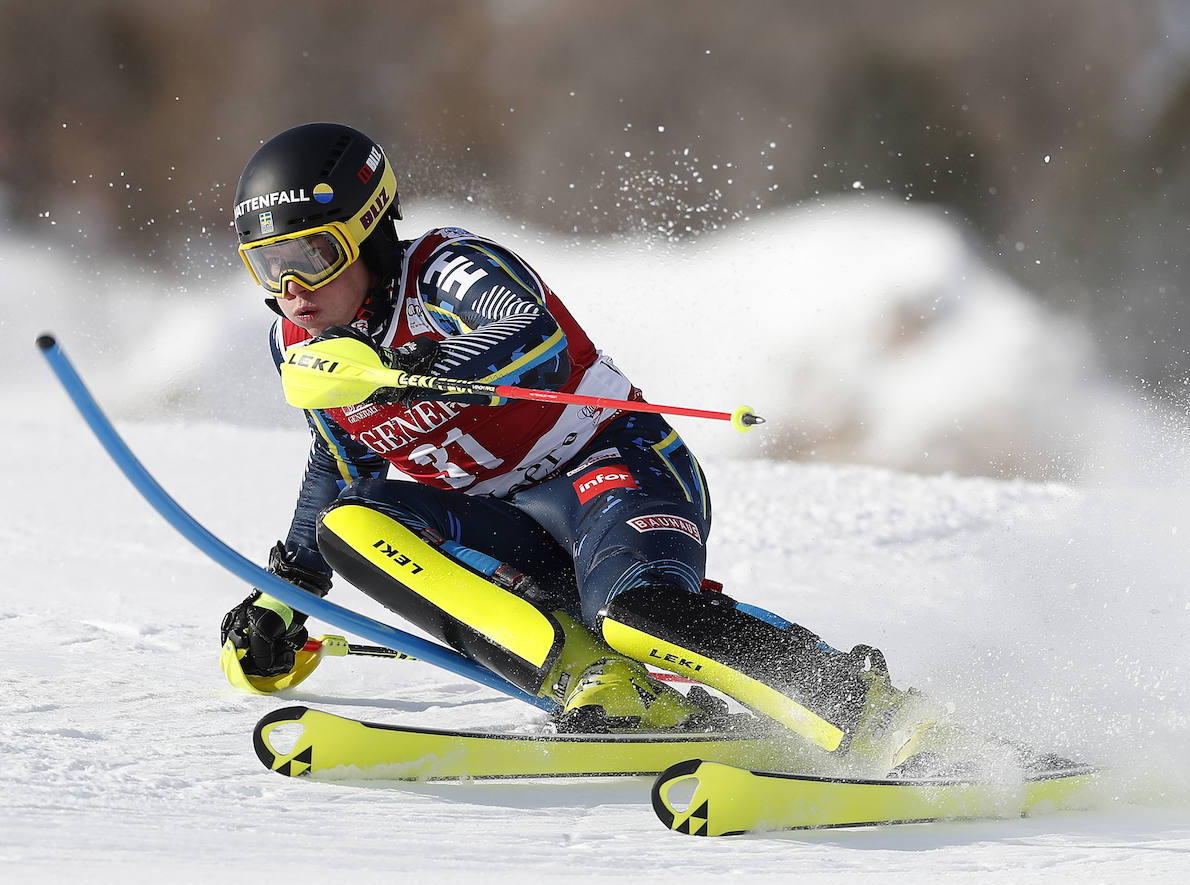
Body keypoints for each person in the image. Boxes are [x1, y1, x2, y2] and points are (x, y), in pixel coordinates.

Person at [219, 122, 937, 769]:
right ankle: (603, 682)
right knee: (350, 519)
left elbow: (534, 337)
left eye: (312, 256)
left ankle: (861, 702)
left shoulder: (445, 270)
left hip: (612, 470)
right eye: (267, 265)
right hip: (506, 526)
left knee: (634, 614)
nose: (292, 291)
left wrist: (427, 372)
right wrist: (285, 598)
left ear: (369, 233)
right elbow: (337, 465)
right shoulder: (298, 348)